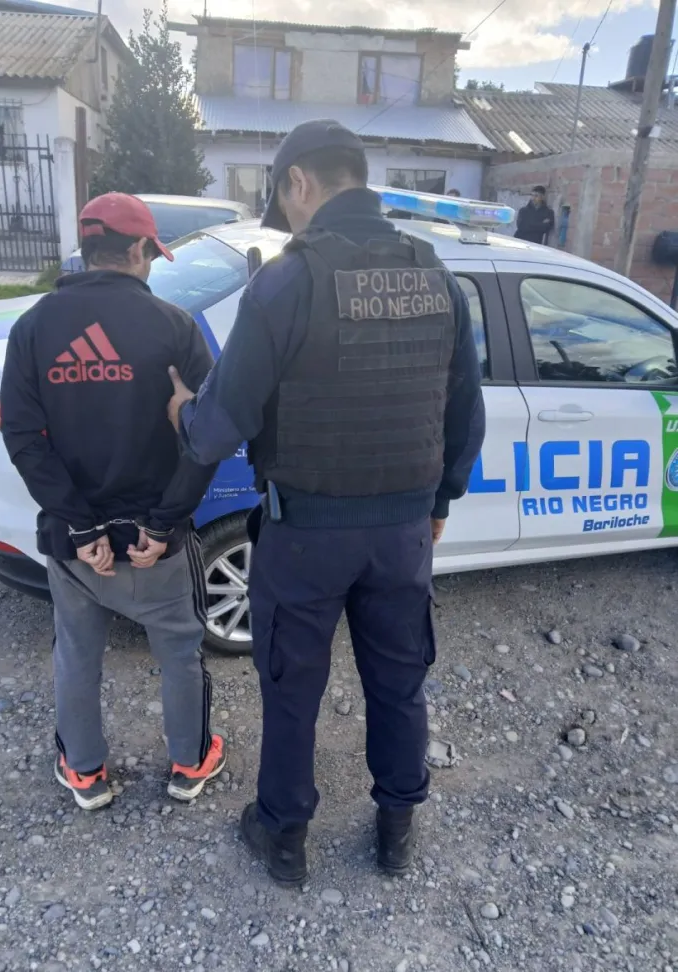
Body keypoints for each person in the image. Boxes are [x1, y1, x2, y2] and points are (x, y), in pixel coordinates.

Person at [168, 120, 485, 885]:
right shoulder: (435, 273)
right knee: (399, 686)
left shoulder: (287, 279)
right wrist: (439, 500)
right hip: (404, 532)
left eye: (285, 203)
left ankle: (282, 840)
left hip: (305, 537)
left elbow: (216, 429)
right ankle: (396, 835)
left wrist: (180, 406)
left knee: (293, 692)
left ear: (299, 183)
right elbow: (463, 412)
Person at [1, 193, 226, 812]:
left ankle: (85, 771)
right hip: (154, 544)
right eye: (151, 253)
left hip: (75, 548)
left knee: (76, 653)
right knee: (180, 652)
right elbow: (207, 437)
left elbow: (22, 437)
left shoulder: (35, 326)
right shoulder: (174, 327)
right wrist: (165, 523)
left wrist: (78, 526)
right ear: (135, 250)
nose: (151, 264)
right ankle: (188, 761)